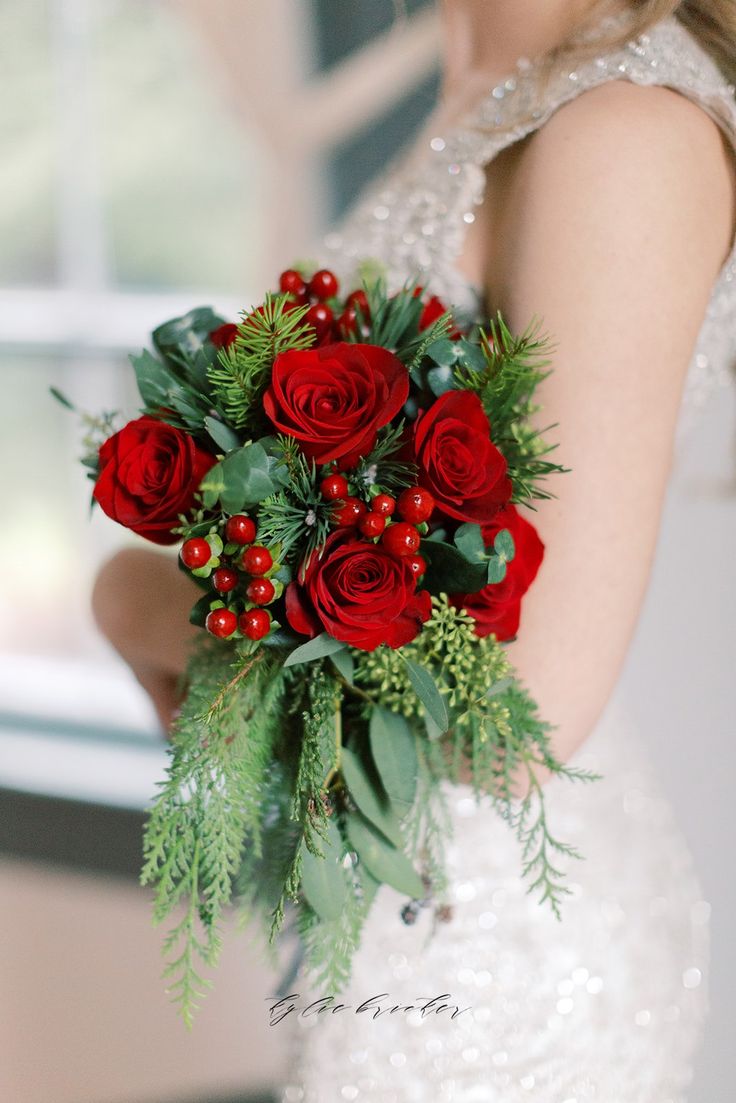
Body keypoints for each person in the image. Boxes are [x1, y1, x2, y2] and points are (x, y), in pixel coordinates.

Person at [92, 0, 736, 1098]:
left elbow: (517, 714)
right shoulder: (459, 77)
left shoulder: (623, 131)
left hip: (498, 967)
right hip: (390, 912)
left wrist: (134, 597)